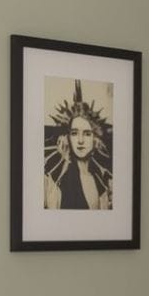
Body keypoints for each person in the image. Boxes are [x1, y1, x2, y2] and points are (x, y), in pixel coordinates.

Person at [44, 82, 113, 210]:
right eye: (74, 133)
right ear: (67, 137)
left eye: (87, 134)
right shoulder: (54, 179)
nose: (80, 141)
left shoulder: (103, 183)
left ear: (95, 139)